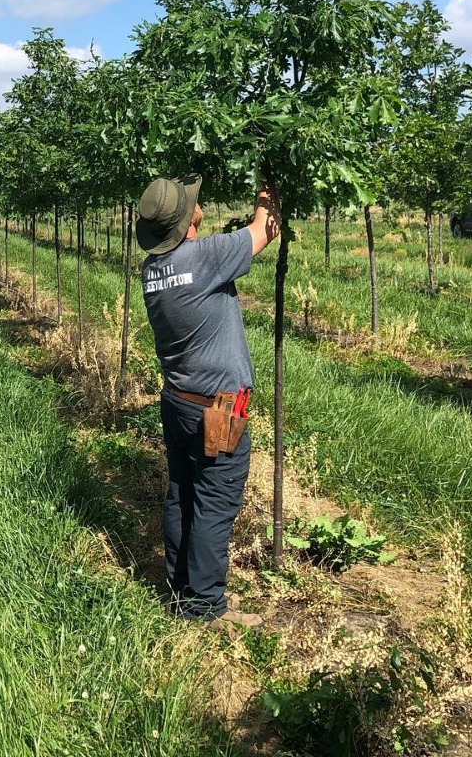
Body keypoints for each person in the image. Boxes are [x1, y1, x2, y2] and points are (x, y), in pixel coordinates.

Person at [135, 173, 280, 630]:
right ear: (187, 219)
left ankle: (181, 592)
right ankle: (205, 608)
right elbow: (265, 230)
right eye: (191, 202)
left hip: (177, 401)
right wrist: (266, 193)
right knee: (215, 504)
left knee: (182, 494)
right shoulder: (205, 257)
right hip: (217, 411)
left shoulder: (151, 270)